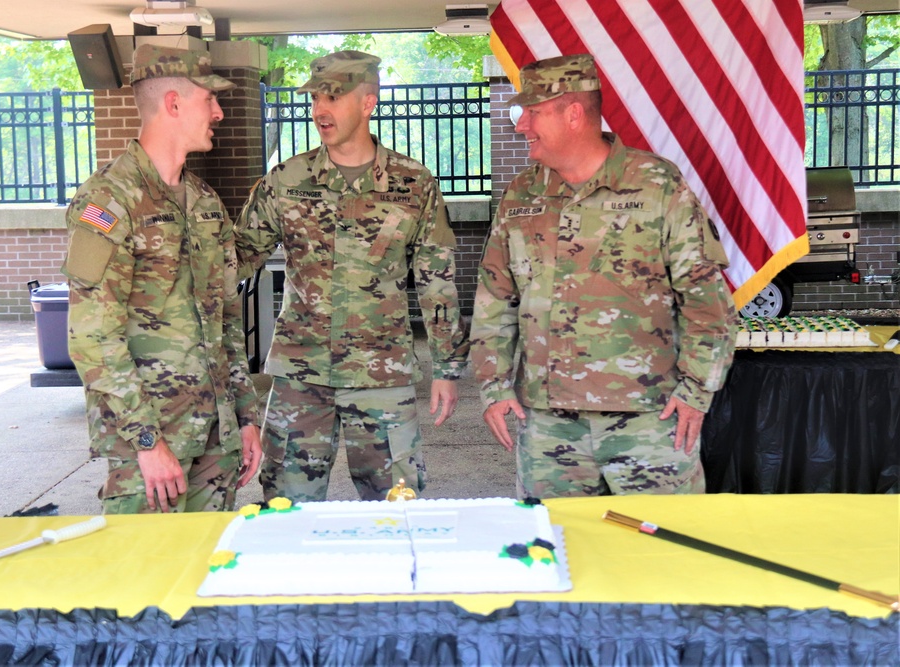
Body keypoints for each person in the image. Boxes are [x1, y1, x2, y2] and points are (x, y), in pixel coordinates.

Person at [470, 54, 737, 499]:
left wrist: (697, 391)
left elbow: (705, 299)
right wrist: (493, 386)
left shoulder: (656, 185)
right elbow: (495, 297)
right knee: (554, 548)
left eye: (532, 112)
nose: (521, 126)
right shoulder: (522, 193)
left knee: (662, 553)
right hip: (548, 426)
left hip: (650, 421)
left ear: (573, 113)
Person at [236, 50, 469, 502]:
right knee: (285, 506)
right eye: (315, 97)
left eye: (334, 97)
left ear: (368, 103)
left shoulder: (412, 183)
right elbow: (237, 259)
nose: (320, 109)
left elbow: (435, 277)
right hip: (300, 375)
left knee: (397, 507)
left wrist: (447, 366)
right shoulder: (285, 180)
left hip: (382, 374)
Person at [62, 45, 261, 514]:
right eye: (209, 99)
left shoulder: (205, 201)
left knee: (207, 574)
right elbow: (91, 337)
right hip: (149, 447)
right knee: (143, 577)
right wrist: (148, 443)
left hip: (215, 437)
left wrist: (247, 416)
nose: (219, 111)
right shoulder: (109, 202)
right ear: (172, 104)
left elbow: (226, 319)